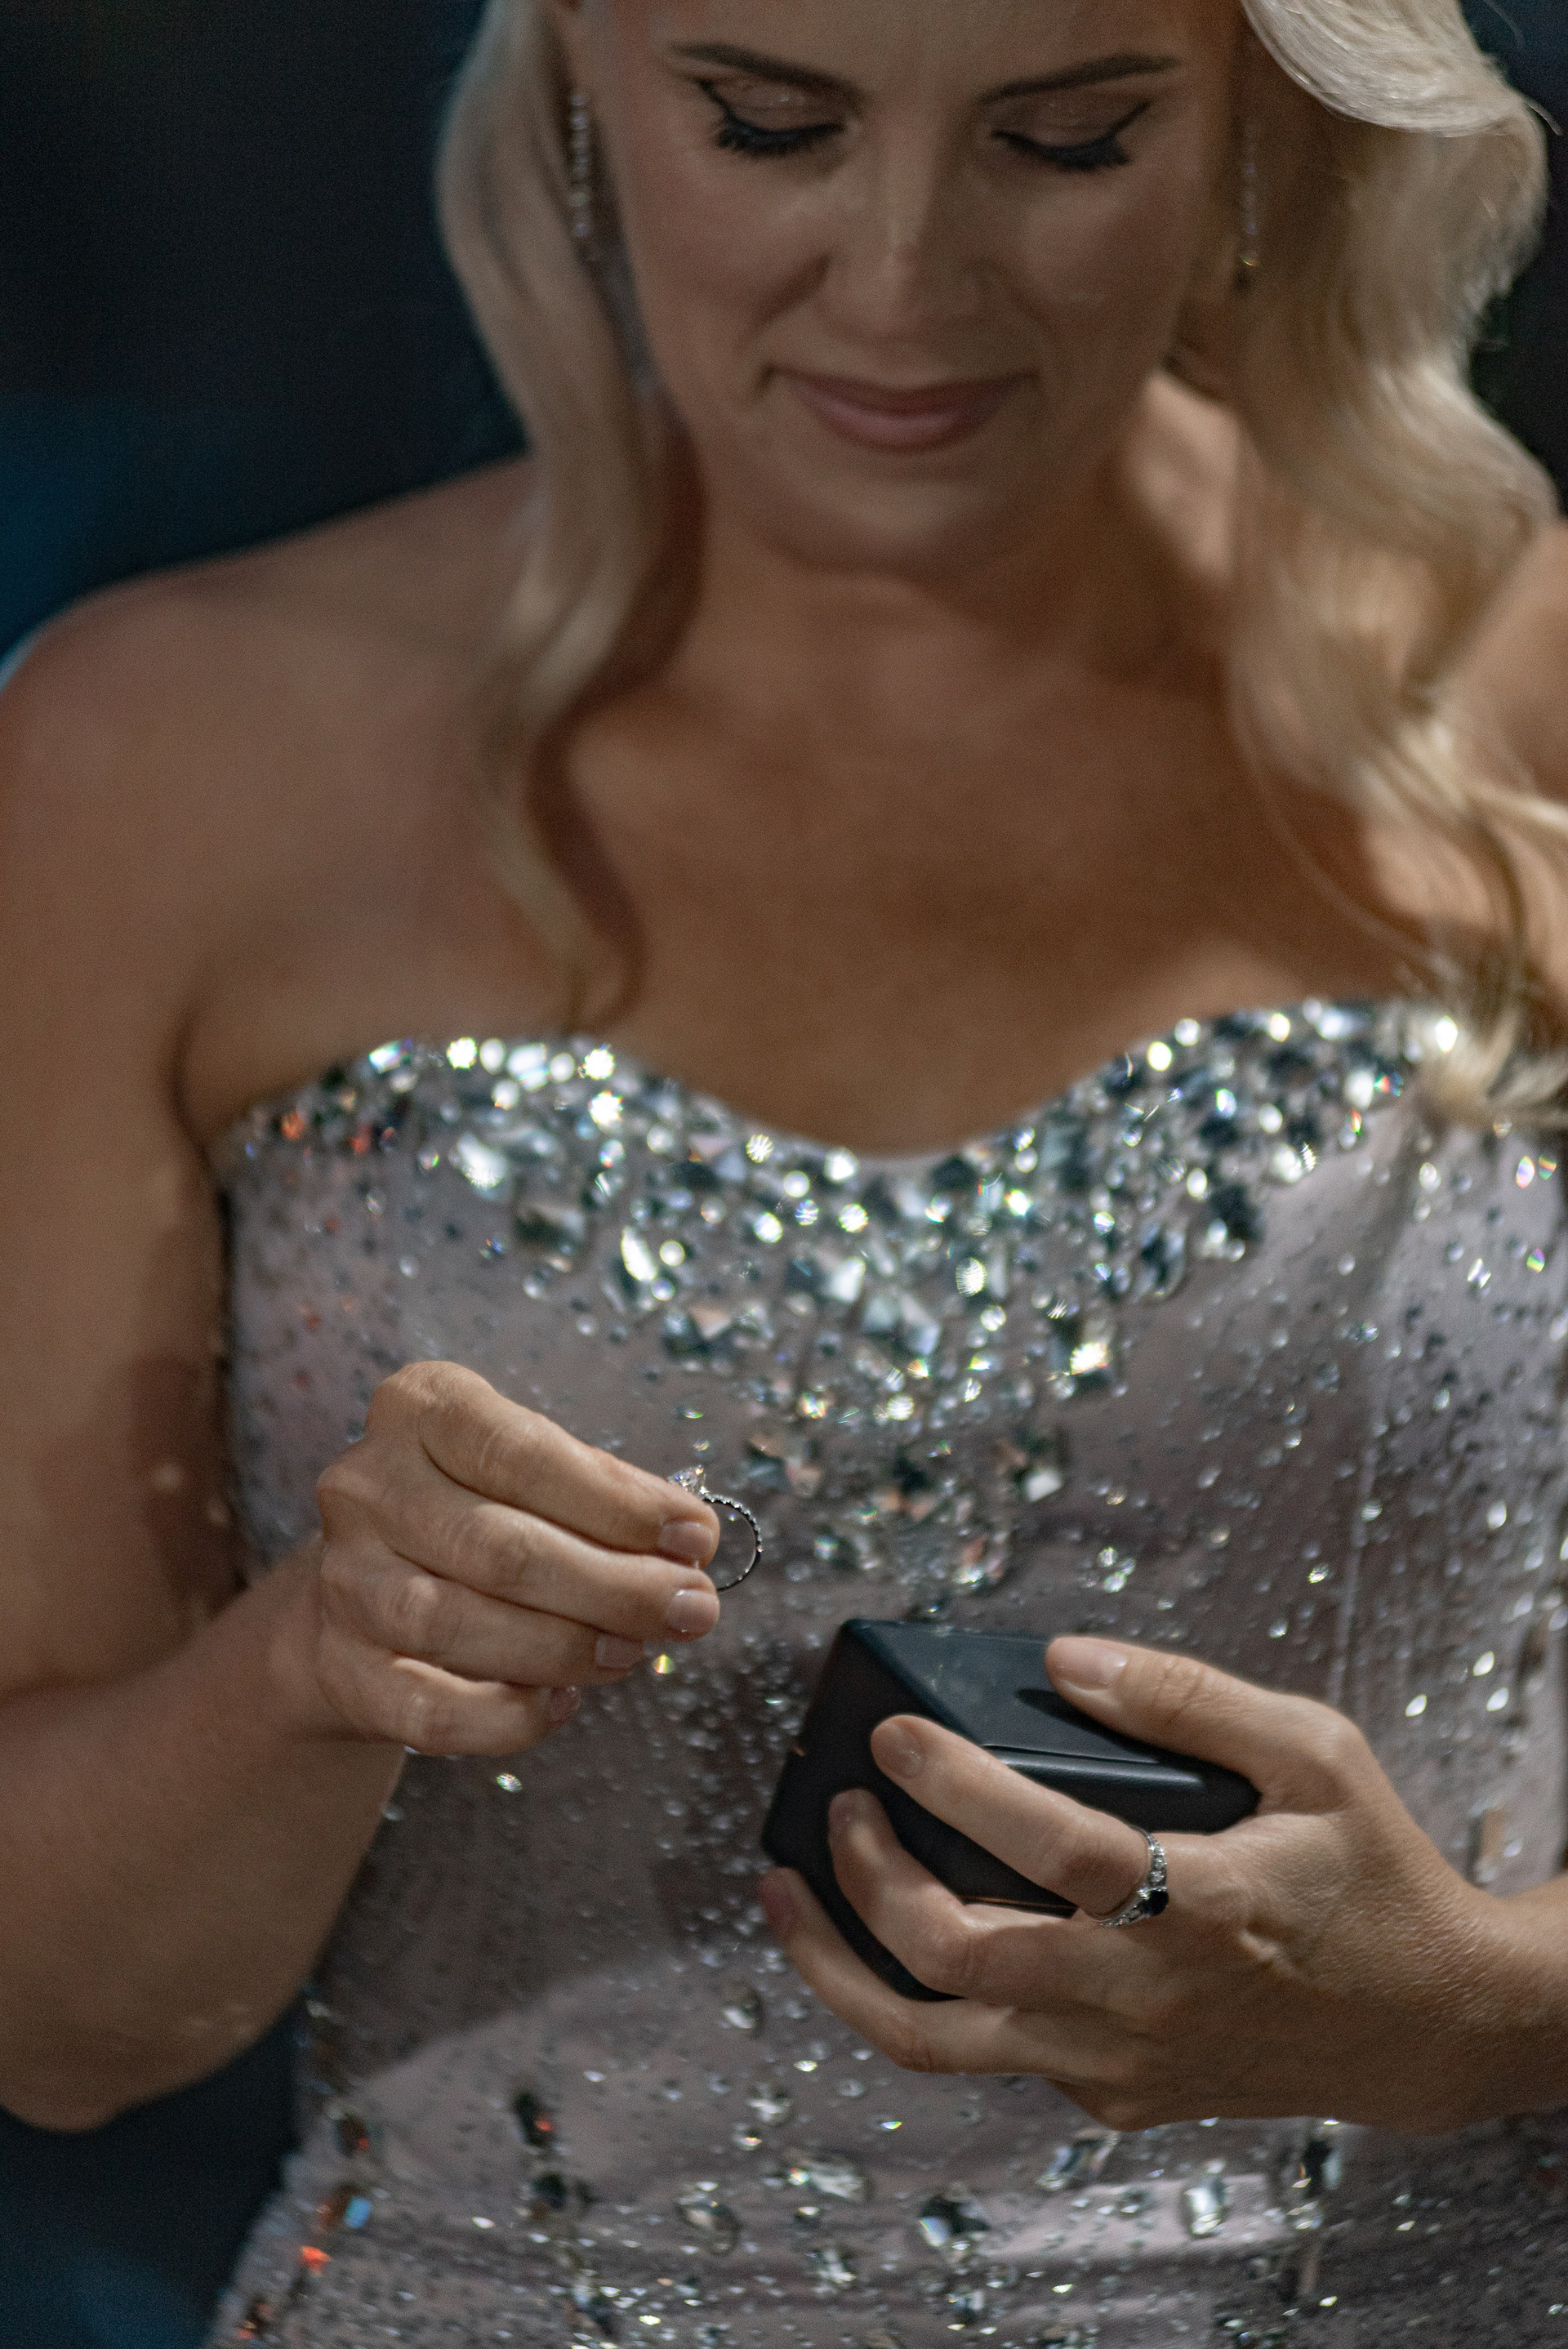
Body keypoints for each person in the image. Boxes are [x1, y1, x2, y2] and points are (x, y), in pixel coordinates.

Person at [5, 0, 1568, 2342]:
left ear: (1261, 105)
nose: (904, 279)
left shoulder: (1527, 702)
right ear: (578, 77)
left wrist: (1475, 2007)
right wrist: (311, 1668)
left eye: (1065, 138)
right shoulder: (156, 761)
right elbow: (52, 2021)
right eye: (769, 125)